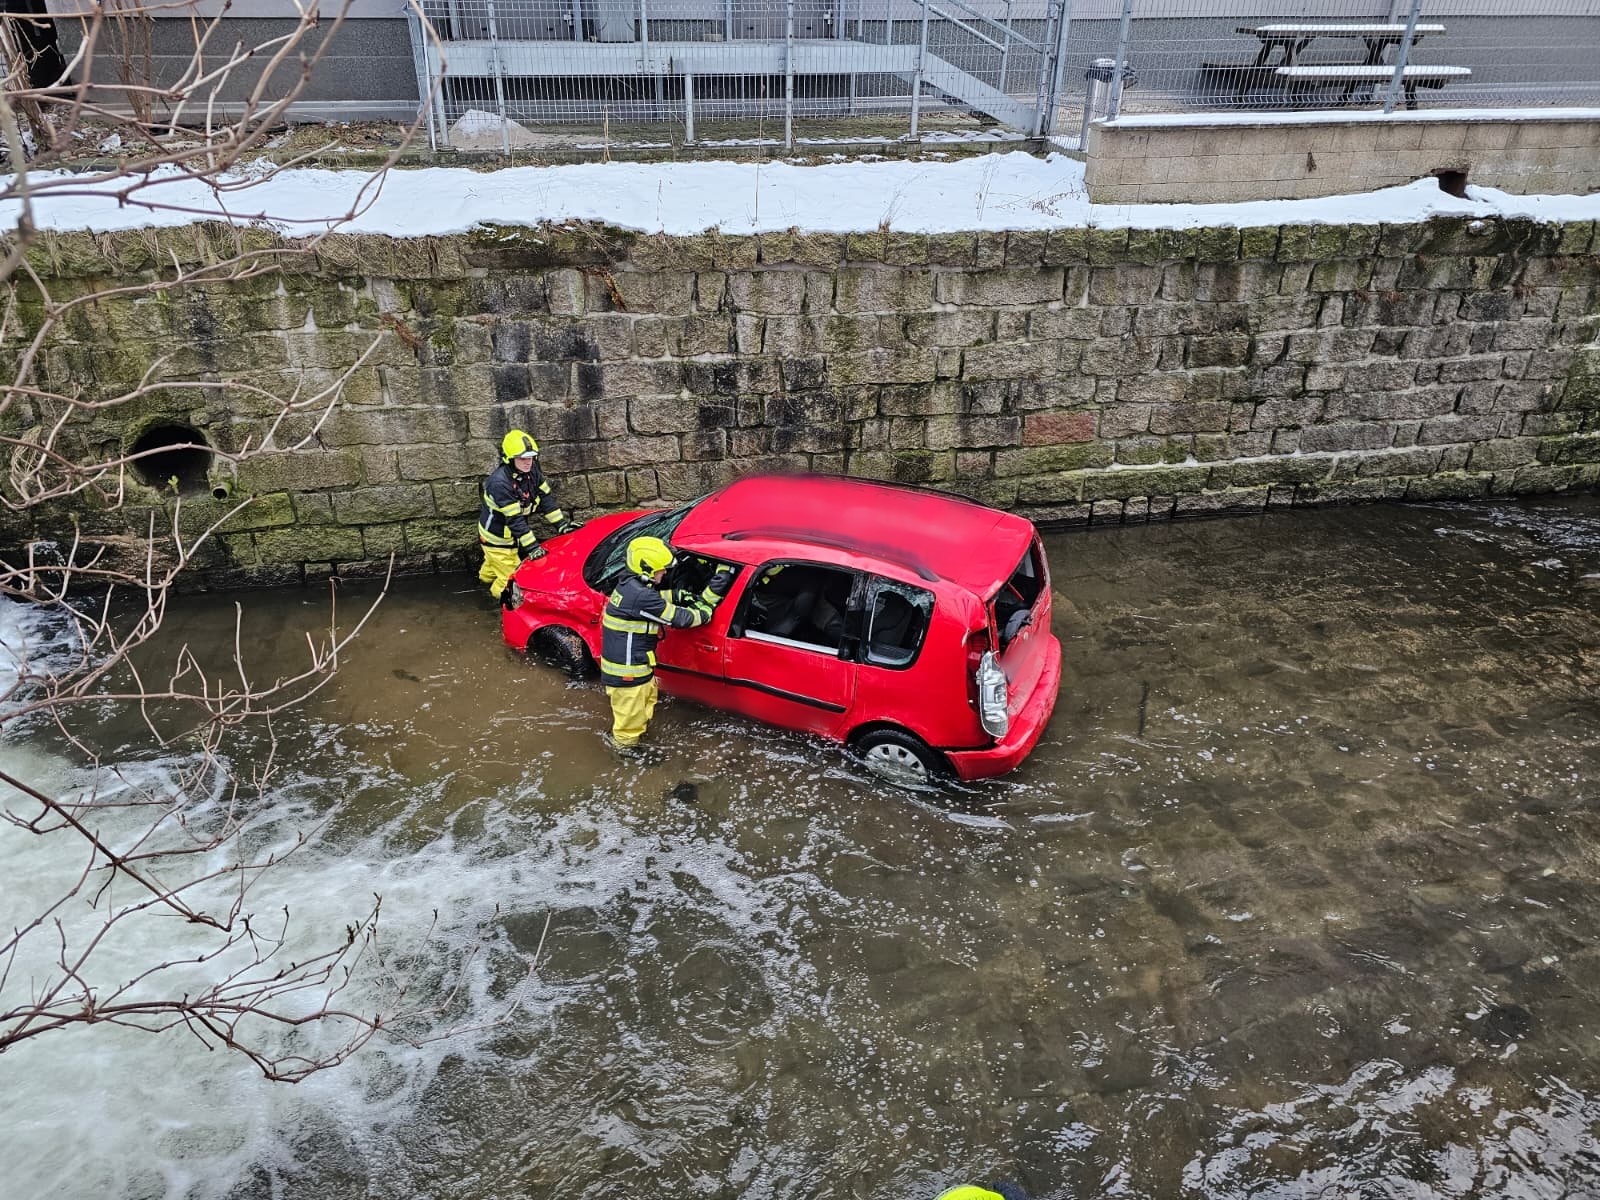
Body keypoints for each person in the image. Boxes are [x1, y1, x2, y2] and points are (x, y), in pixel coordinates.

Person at [600, 536, 713, 751]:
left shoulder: (628, 583)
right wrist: (706, 611)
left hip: (632, 668)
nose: (665, 574)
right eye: (661, 570)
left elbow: (652, 599)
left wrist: (676, 595)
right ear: (647, 571)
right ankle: (624, 753)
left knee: (642, 710)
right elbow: (681, 619)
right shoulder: (640, 596)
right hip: (629, 674)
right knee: (629, 725)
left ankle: (631, 743)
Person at [477, 429, 582, 606]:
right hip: (498, 540)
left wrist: (562, 525)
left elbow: (546, 499)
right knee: (512, 580)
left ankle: (483, 581)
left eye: (531, 457)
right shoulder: (499, 483)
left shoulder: (532, 470)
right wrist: (533, 547)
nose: (528, 462)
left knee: (493, 565)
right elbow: (515, 519)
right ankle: (495, 602)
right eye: (522, 458)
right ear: (510, 459)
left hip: (504, 536)